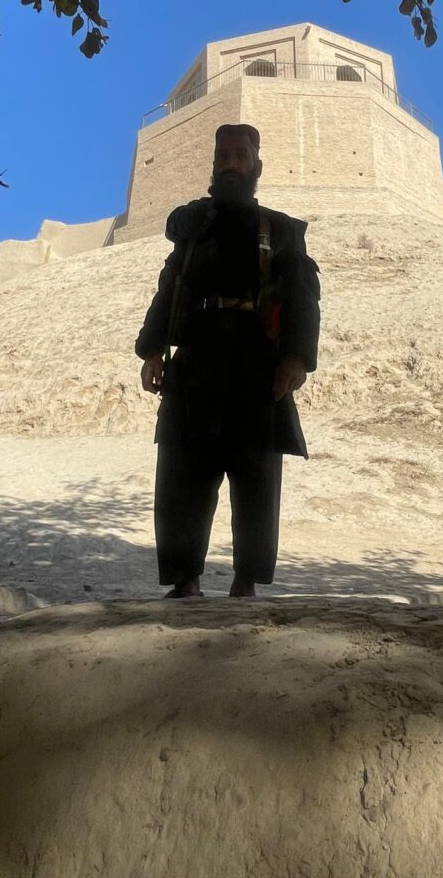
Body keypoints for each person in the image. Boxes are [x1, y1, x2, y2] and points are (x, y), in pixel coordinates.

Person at [135, 123, 321, 598]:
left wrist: (296, 358)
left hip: (257, 369)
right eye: (224, 155)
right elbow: (170, 285)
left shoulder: (279, 230)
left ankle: (246, 584)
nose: (231, 162)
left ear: (256, 164)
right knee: (181, 475)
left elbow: (302, 296)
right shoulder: (194, 228)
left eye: (241, 154)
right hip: (195, 362)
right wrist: (153, 349)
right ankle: (185, 581)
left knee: (256, 479)